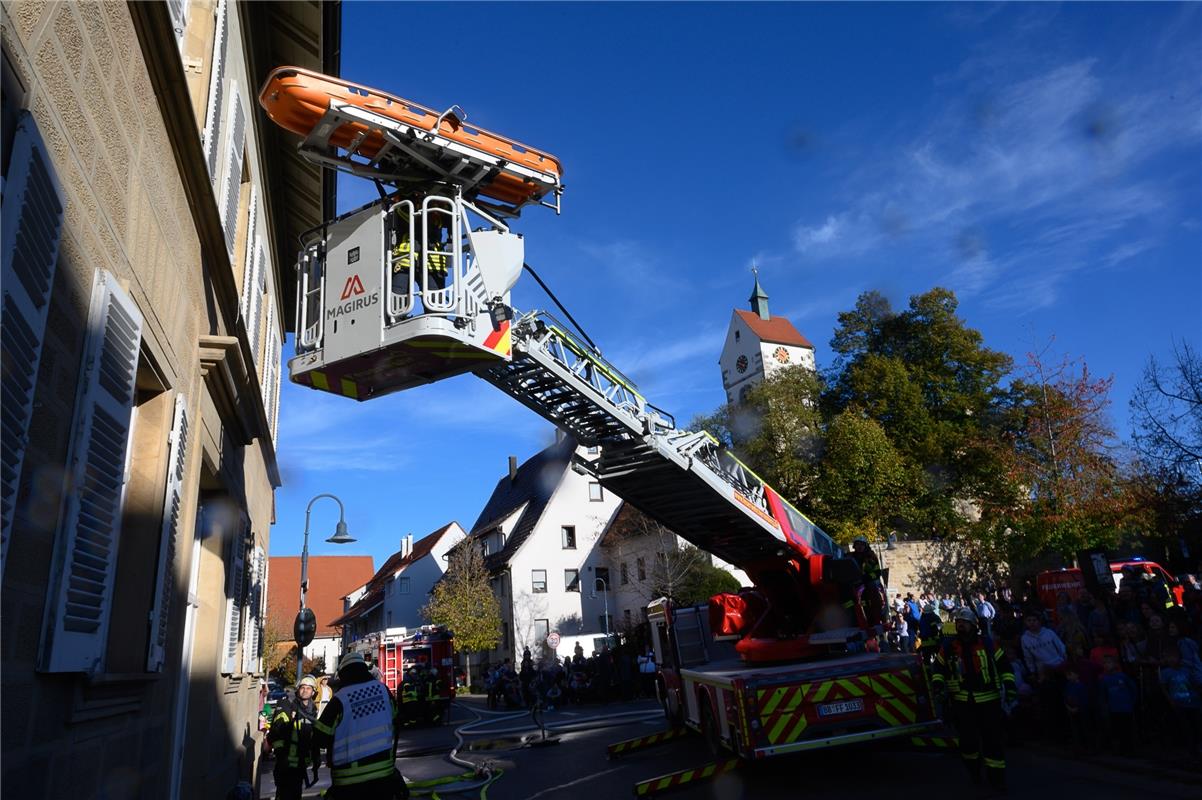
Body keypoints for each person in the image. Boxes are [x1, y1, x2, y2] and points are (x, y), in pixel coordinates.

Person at [930, 607, 1016, 791]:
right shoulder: (949, 647)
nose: (960, 625)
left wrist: (1010, 687)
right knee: (968, 745)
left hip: (989, 701)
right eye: (958, 622)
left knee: (992, 742)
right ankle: (975, 775)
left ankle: (997, 781)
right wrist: (938, 686)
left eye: (964, 622)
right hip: (962, 703)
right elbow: (938, 669)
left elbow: (1005, 667)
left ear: (973, 625)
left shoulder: (988, 644)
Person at [313, 652, 407, 799]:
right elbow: (396, 723)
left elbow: (320, 737)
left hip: (348, 779)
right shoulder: (383, 690)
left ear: (343, 673)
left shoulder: (340, 699)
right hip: (384, 774)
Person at [269, 675, 321, 799]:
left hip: (300, 766)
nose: (305, 690)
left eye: (309, 688)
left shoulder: (312, 711)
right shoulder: (288, 706)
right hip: (286, 766)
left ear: (313, 692)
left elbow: (314, 738)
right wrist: (282, 755)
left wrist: (316, 758)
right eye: (303, 687)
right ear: (298, 689)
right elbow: (276, 732)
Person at [849, 536, 885, 626]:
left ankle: (877, 618)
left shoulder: (871, 556)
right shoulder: (850, 556)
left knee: (873, 599)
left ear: (865, 546)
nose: (859, 547)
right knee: (849, 599)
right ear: (854, 546)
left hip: (869, 582)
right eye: (857, 545)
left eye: (862, 545)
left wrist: (867, 577)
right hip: (855, 583)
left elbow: (877, 572)